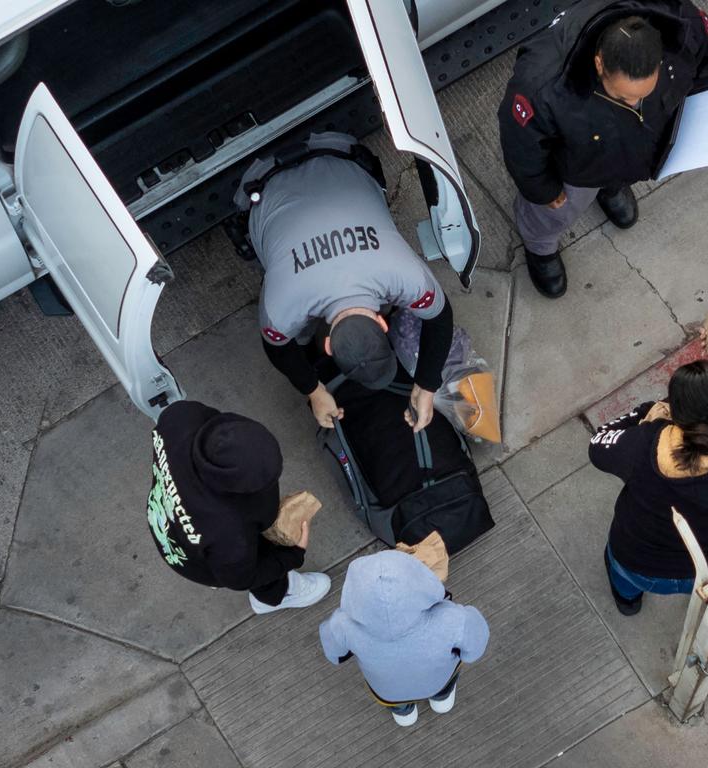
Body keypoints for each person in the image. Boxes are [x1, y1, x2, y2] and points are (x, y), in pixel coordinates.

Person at [498, 1, 708, 298]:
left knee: (620, 165)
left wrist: (697, 112)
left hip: (634, 151)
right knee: (549, 215)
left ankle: (611, 186)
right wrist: (542, 190)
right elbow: (521, 145)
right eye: (622, 96)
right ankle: (540, 246)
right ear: (599, 63)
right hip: (576, 169)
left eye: (642, 95)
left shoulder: (680, 23)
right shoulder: (542, 86)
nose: (633, 104)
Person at [234, 131, 454, 433]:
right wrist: (314, 391)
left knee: (294, 335)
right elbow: (277, 349)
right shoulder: (280, 306)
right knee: (292, 330)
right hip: (263, 174)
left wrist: (427, 384)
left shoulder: (404, 275)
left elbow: (442, 317)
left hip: (336, 149)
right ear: (325, 345)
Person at [590, 361, 708, 615]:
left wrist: (645, 412)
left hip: (638, 563)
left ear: (675, 413)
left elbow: (598, 444)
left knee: (622, 574)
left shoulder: (644, 443)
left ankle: (627, 602)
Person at [147, 400, 331, 615]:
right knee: (260, 556)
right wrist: (292, 555)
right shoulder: (228, 532)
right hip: (188, 558)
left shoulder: (180, 416)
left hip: (162, 510)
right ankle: (274, 596)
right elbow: (241, 578)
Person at [319, 550, 490, 727]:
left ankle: (404, 715)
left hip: (388, 689)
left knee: (394, 700)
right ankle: (441, 700)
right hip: (438, 678)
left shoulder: (343, 625)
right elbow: (475, 645)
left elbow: (334, 654)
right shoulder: (451, 618)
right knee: (443, 686)